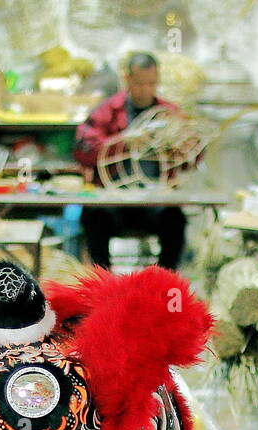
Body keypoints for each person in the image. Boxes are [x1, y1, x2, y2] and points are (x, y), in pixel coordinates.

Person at [74, 51, 186, 271]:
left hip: (154, 200)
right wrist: (124, 142)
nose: (146, 90)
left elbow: (194, 156)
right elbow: (82, 150)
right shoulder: (108, 111)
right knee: (94, 216)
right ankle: (103, 288)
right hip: (114, 199)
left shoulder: (169, 113)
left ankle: (162, 283)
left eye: (151, 83)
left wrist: (179, 143)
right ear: (127, 80)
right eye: (140, 84)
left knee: (175, 218)